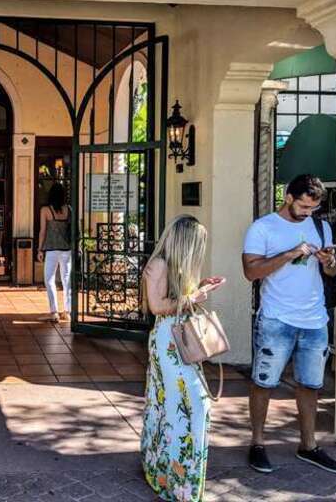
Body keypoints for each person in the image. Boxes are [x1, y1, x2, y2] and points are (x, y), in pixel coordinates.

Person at [242, 174, 336, 474]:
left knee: (311, 385)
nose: (308, 213)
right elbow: (251, 272)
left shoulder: (320, 226)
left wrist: (329, 262)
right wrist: (289, 254)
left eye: (313, 208)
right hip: (276, 318)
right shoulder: (263, 228)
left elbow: (333, 271)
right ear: (288, 196)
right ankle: (258, 444)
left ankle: (309, 446)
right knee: (264, 383)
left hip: (314, 320)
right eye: (303, 206)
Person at [140, 215, 225, 502]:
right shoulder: (158, 264)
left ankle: (169, 471)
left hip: (177, 338)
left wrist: (199, 286)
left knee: (172, 403)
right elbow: (157, 306)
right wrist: (194, 297)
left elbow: (174, 297)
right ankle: (177, 478)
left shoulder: (171, 265)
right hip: (168, 340)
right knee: (189, 405)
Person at [36, 182, 72, 323]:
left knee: (49, 280)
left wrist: (40, 249)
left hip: (51, 249)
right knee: (66, 279)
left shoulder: (45, 210)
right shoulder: (69, 209)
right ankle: (67, 311)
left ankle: (54, 312)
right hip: (67, 249)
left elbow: (42, 231)